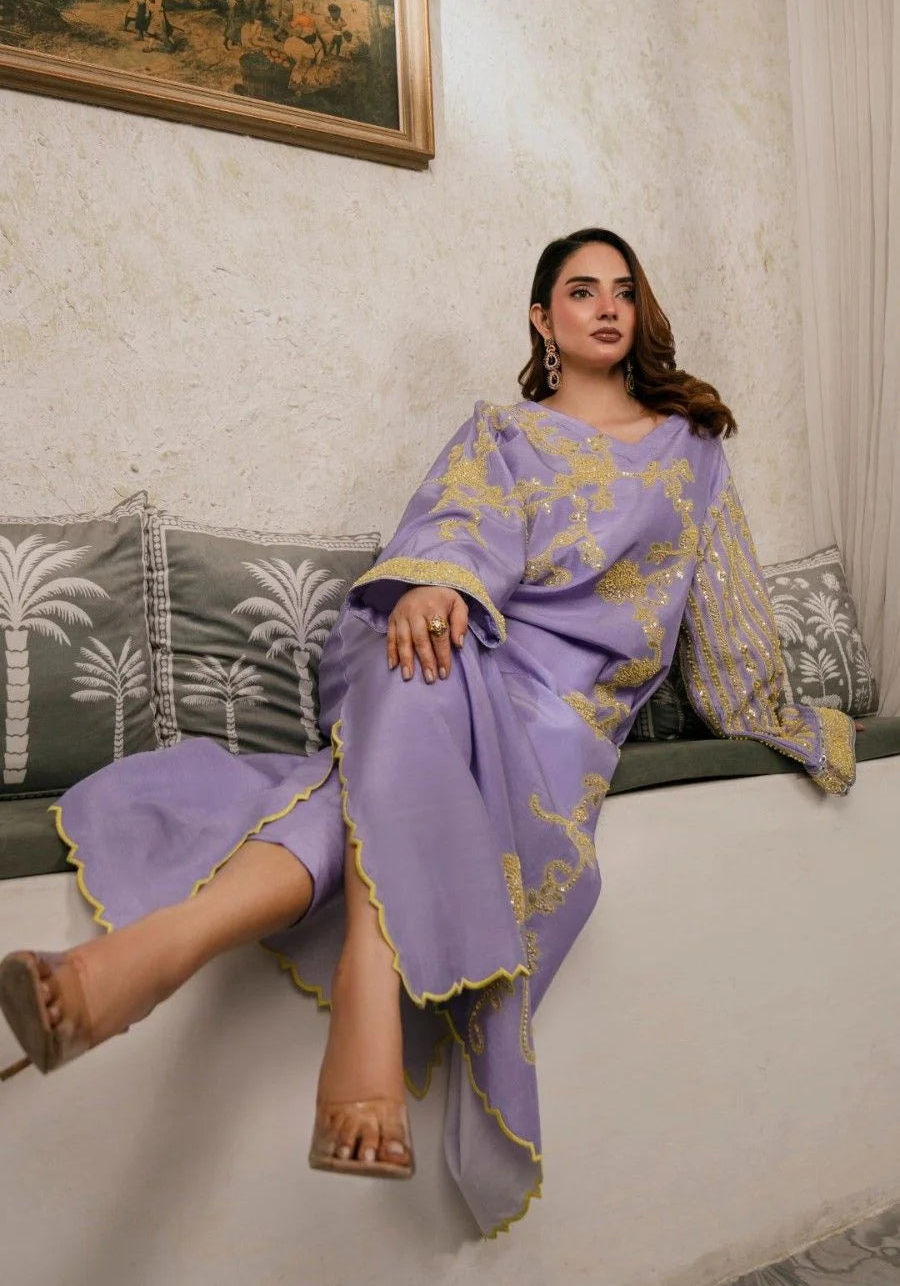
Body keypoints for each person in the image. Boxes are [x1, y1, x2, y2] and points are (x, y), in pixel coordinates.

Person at [0, 228, 855, 1238]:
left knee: (395, 728)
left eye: (623, 291)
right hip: (451, 644)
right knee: (422, 653)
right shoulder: (501, 431)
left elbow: (728, 616)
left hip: (559, 713)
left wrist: (792, 722)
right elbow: (453, 530)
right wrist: (434, 588)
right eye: (582, 291)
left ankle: (129, 971)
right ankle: (352, 1018)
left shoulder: (692, 452)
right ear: (542, 319)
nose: (607, 307)